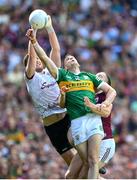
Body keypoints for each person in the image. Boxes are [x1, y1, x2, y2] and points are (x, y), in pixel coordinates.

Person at [26, 28, 117, 179]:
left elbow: (110, 96)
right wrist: (34, 41)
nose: (70, 58)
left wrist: (98, 105)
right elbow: (44, 56)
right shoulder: (60, 76)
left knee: (91, 163)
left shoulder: (89, 78)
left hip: (91, 129)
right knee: (72, 175)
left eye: (73, 57)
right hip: (67, 124)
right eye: (67, 59)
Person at [24, 16, 74, 166]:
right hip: (52, 126)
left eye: (40, 59)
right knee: (72, 168)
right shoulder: (31, 78)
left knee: (84, 160)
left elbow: (56, 50)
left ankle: (95, 165)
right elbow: (32, 58)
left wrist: (50, 28)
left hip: (67, 118)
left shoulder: (51, 72)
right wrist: (34, 34)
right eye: (34, 60)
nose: (38, 60)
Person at [65, 72, 115, 179]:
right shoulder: (86, 94)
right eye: (96, 75)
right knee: (69, 176)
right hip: (87, 141)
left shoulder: (106, 97)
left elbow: (105, 112)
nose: (96, 77)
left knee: (85, 175)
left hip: (105, 143)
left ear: (106, 83)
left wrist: (91, 106)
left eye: (100, 76)